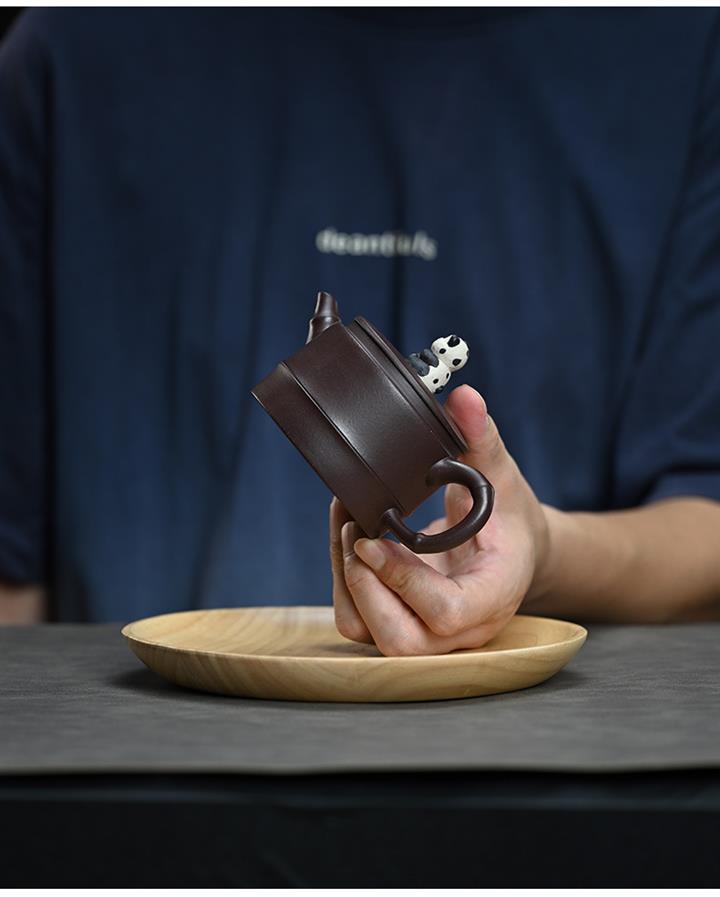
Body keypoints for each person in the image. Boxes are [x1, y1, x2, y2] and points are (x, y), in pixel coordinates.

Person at [1, 9, 719, 642]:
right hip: (151, 735)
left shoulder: (681, 52)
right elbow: (12, 570)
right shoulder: (79, 47)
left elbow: (705, 523)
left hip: (534, 739)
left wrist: (546, 550)